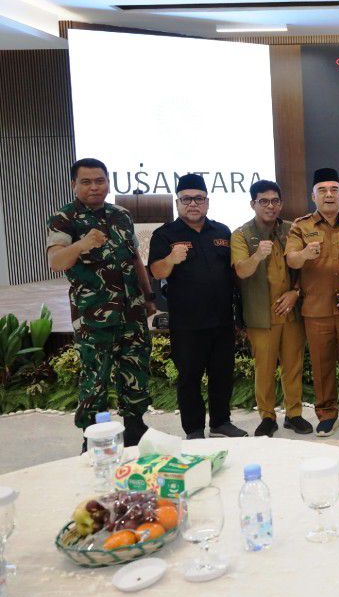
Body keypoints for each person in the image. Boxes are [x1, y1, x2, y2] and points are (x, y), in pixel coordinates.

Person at [46, 158, 154, 449]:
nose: (94, 187)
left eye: (99, 181)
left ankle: (135, 427)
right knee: (95, 378)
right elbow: (56, 262)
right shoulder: (64, 218)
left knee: (135, 369)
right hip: (94, 315)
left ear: (107, 182)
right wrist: (82, 244)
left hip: (131, 311)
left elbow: (135, 258)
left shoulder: (121, 215)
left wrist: (148, 296)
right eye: (86, 182)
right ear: (74, 185)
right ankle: (93, 438)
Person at [149, 173, 247, 438]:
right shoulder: (165, 235)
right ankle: (193, 429)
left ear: (207, 202)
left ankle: (220, 422)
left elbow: (234, 272)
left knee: (222, 374)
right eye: (186, 199)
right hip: (187, 323)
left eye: (199, 198)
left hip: (222, 319)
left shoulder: (222, 231)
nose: (193, 204)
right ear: (178, 203)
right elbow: (157, 271)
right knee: (189, 377)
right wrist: (171, 258)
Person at [286, 167, 339, 437]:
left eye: (334, 190)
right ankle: (327, 415)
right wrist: (304, 254)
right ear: (313, 196)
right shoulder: (301, 227)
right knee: (321, 366)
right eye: (322, 190)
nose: (328, 195)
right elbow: (291, 260)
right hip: (316, 309)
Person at [231, 180, 312, 438]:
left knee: (293, 366)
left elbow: (306, 269)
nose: (270, 206)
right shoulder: (241, 234)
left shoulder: (291, 230)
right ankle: (267, 417)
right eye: (264, 201)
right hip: (261, 314)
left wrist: (295, 292)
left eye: (275, 201)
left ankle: (294, 414)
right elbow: (241, 271)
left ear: (281, 203)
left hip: (291, 311)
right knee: (264, 369)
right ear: (253, 203)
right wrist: (257, 255)